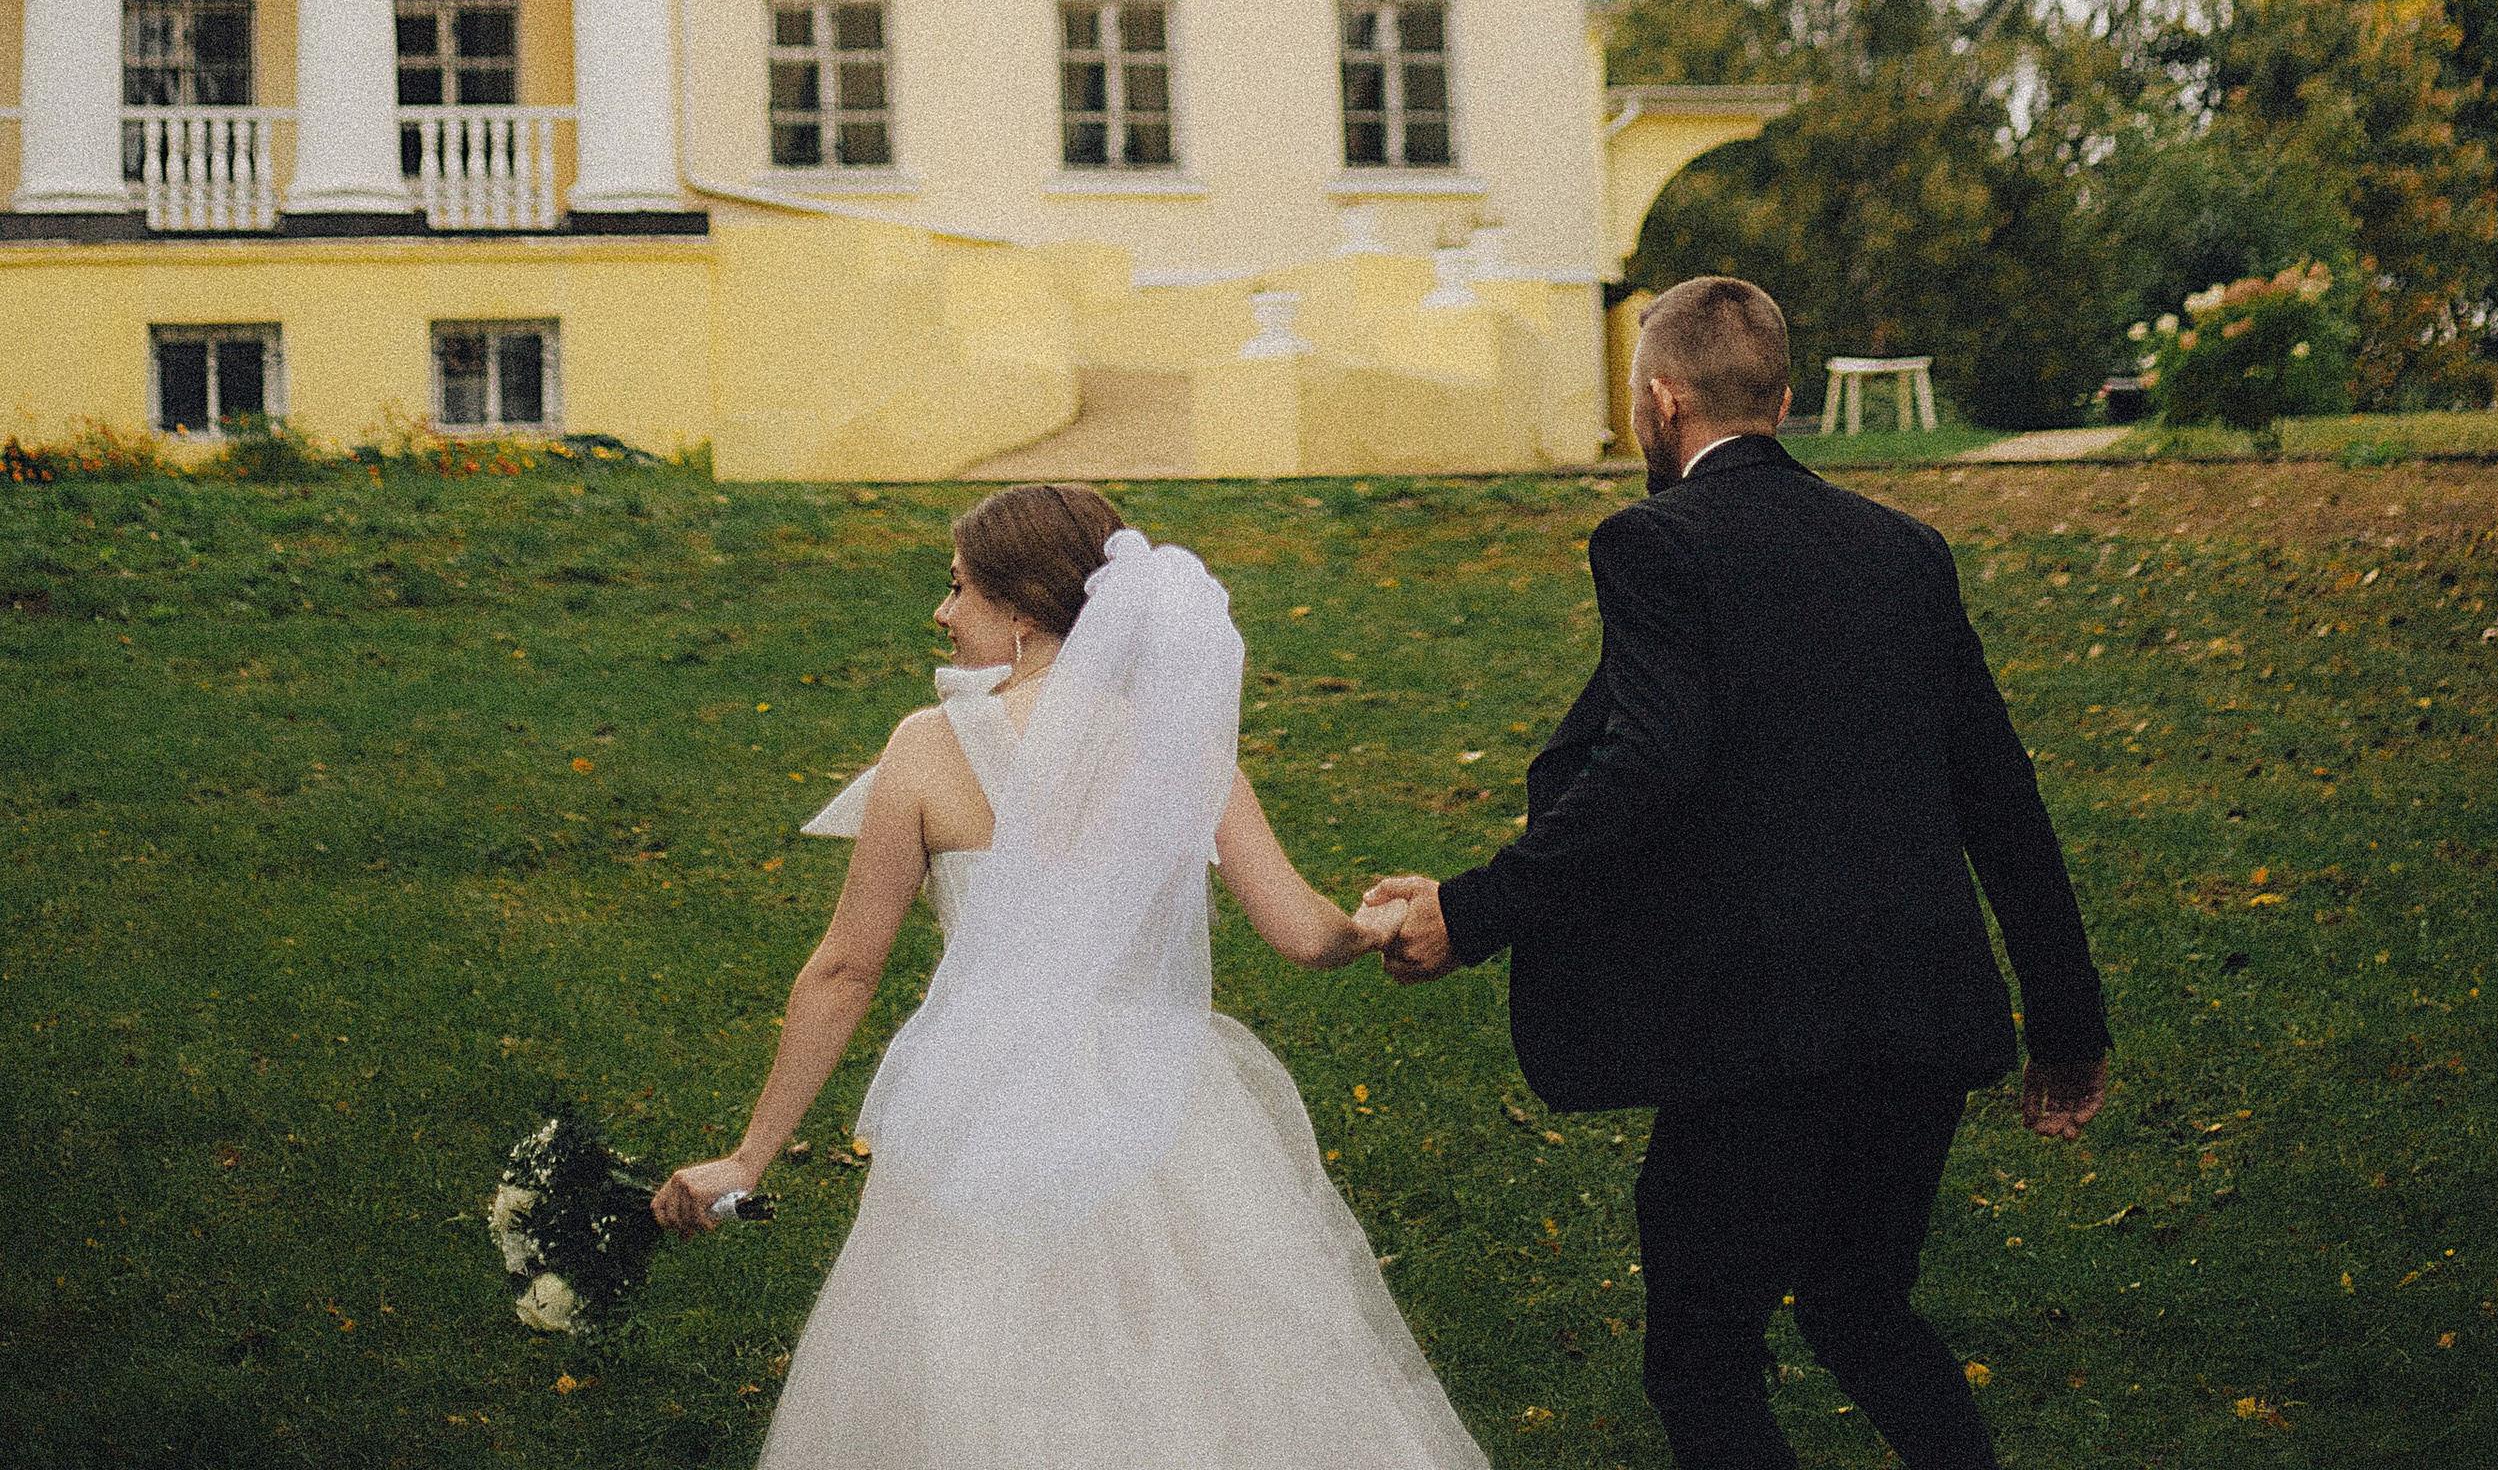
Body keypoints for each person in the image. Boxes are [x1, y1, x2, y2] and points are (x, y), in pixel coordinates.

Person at [1365, 277, 2109, 1470]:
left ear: (1661, 401)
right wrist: (2064, 1021)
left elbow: (1650, 760)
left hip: (1760, 1031)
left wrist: (1471, 910)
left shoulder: (1654, 543)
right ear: (1785, 396)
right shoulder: (1905, 551)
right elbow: (2000, 792)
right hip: (1918, 1009)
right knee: (1862, 1311)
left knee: (1702, 1353)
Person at [654, 480, 1489, 1470]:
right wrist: (1377, 923)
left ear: (1019, 611)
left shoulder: (924, 752)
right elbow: (1304, 934)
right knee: (1196, 1364)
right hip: (1166, 1101)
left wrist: (748, 1159)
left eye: (958, 588)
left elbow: (842, 971)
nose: (941, 612)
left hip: (983, 1102)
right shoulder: (1179, 747)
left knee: (981, 1361)